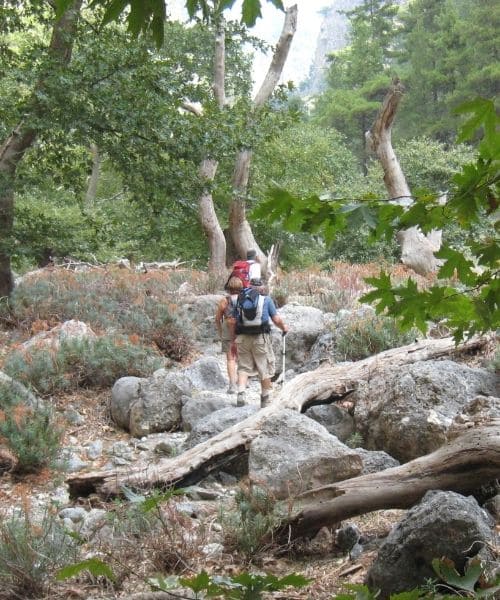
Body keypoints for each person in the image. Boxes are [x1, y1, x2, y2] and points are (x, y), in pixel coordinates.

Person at [235, 288, 288, 408]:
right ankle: (265, 398)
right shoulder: (266, 300)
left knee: (243, 366)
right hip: (260, 338)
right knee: (265, 367)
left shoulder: (241, 299)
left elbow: (235, 319)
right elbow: (276, 319)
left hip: (242, 337)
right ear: (261, 289)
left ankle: (241, 393)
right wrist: (283, 327)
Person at [215, 276, 243, 394]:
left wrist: (221, 332)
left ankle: (232, 385)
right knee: (242, 358)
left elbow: (217, 319)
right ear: (241, 287)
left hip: (228, 327)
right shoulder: (245, 299)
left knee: (230, 359)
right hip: (242, 329)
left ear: (229, 288)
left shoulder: (224, 301)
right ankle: (242, 383)